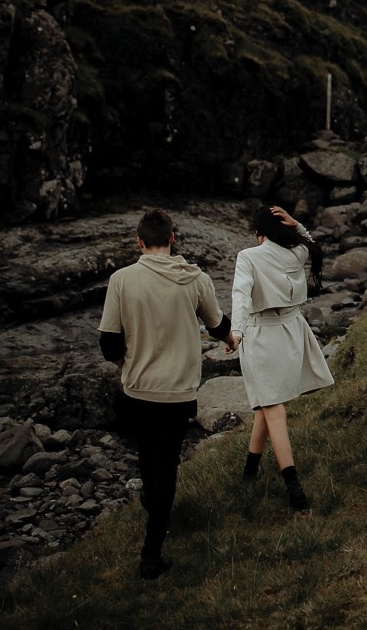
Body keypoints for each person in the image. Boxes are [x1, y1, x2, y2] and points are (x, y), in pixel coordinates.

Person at [98, 209, 232, 579]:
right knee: (166, 465)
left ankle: (151, 512)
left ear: (140, 242)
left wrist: (130, 355)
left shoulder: (121, 280)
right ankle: (151, 554)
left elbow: (108, 345)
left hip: (137, 390)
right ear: (173, 238)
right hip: (177, 392)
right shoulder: (195, 278)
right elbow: (217, 324)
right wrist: (232, 339)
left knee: (147, 458)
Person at [228, 204, 334, 510]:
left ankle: (294, 489)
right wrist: (297, 224)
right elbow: (313, 244)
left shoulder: (249, 256)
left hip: (261, 335)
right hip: (291, 331)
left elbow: (240, 293)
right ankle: (250, 471)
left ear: (259, 233)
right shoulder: (298, 252)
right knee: (266, 403)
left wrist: (235, 333)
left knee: (272, 408)